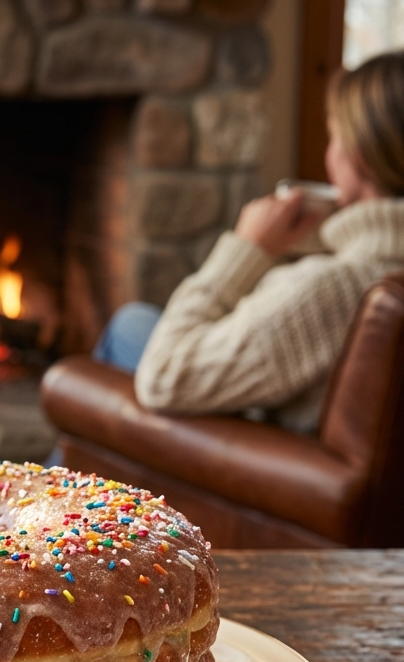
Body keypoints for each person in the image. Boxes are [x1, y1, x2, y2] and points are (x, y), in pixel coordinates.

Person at [94, 50, 404, 433]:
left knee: (127, 324)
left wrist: (247, 249)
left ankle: (43, 494)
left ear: (359, 158)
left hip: (264, 455)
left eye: (333, 136)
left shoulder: (329, 290)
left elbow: (163, 376)